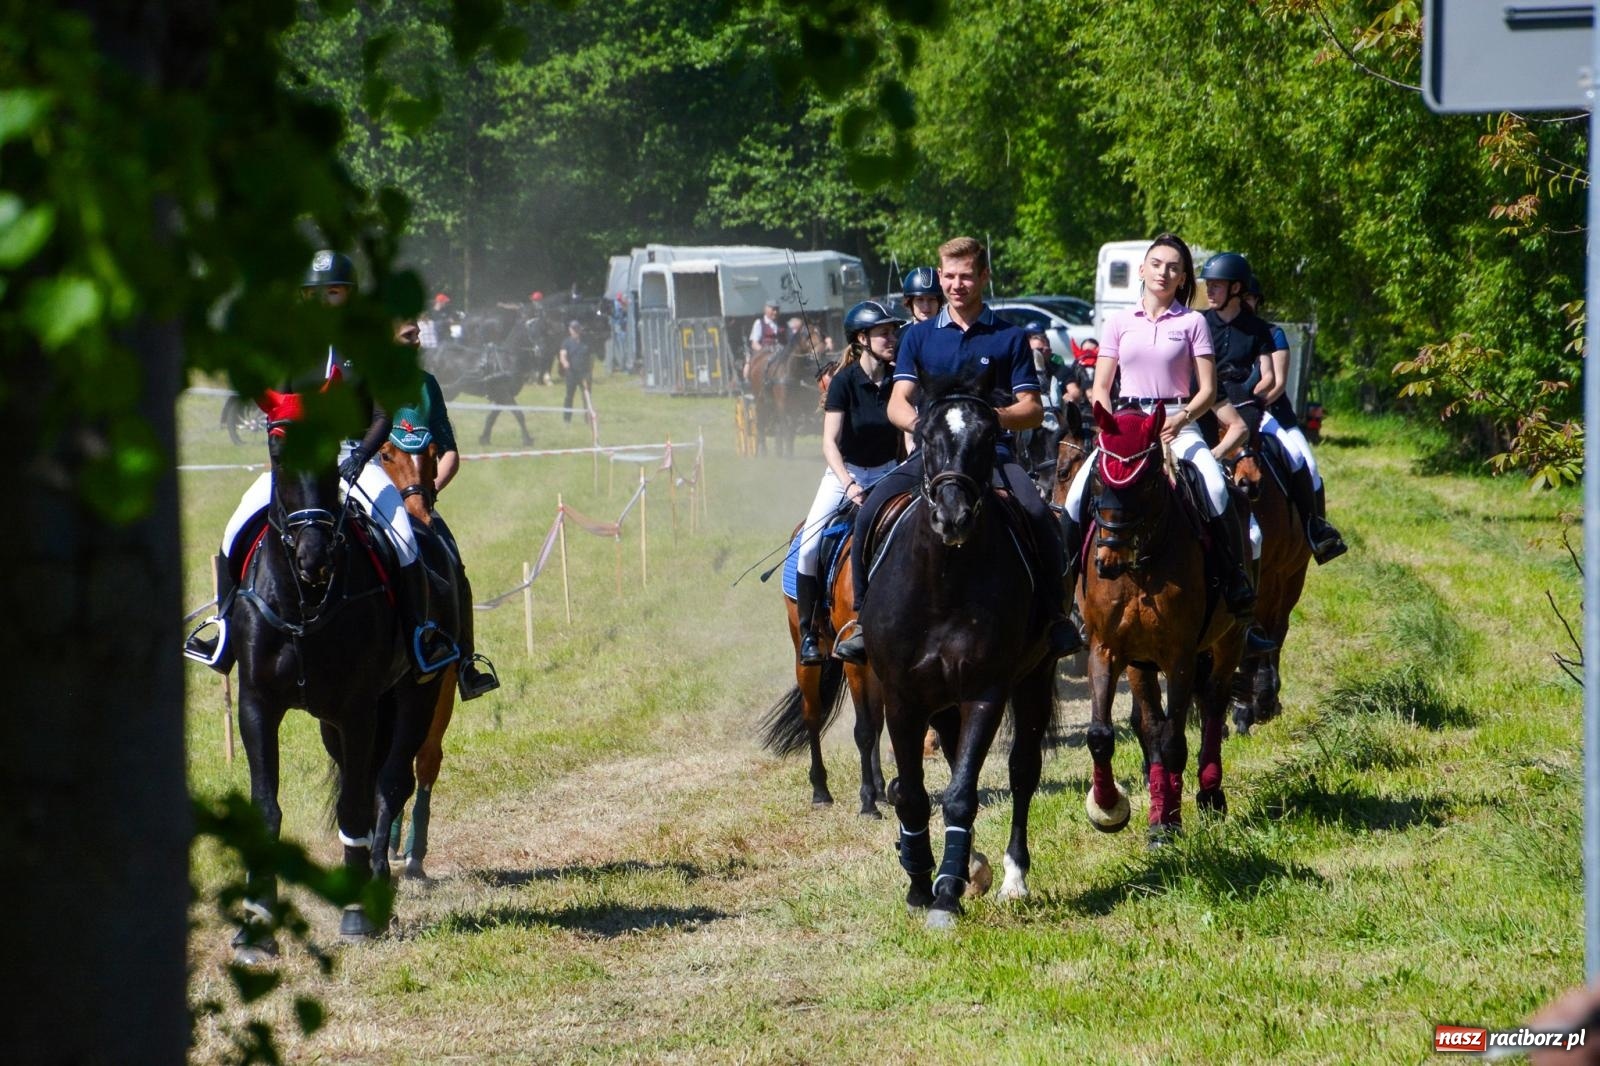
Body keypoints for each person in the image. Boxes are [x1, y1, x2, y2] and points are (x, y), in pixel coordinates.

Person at [184, 250, 459, 676]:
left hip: (356, 459)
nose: (325, 301)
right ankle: (222, 629)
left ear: (347, 295)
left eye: (334, 292)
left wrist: (362, 457)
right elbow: (277, 411)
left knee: (404, 537)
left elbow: (383, 416)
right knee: (235, 528)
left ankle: (419, 636)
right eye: (316, 293)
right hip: (298, 462)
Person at [833, 236, 1082, 663]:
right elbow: (898, 401)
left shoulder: (1009, 337)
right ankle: (860, 617)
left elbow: (1032, 409)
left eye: (966, 276)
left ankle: (1054, 616)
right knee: (872, 508)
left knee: (1040, 515)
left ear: (983, 276)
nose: (956, 284)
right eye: (949, 276)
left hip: (992, 456)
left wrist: (984, 422)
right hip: (931, 457)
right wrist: (926, 428)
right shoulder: (918, 338)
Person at [1058, 234, 1274, 654]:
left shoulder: (1192, 322)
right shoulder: (1119, 323)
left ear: (1182, 279)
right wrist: (1107, 424)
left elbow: (1208, 390)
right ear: (1142, 270)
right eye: (1157, 264)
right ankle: (1059, 599)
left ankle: (1235, 587)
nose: (1164, 272)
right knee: (1074, 497)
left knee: (1215, 488)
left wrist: (1181, 418)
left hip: (1178, 422)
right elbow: (1101, 386)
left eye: (1174, 267)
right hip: (1126, 426)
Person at [392, 320, 500, 699]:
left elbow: (449, 450)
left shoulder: (427, 385)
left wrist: (428, 491)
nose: (418, 341)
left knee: (452, 561)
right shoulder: (363, 385)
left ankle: (465, 662)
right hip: (376, 501)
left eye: (418, 334)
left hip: (420, 500)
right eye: (410, 335)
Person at [793, 300, 905, 664]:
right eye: (884, 332)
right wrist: (849, 484)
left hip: (890, 471)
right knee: (809, 546)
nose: (892, 338)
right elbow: (829, 442)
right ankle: (811, 632)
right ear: (862, 338)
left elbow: (909, 435)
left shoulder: (900, 379)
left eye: (893, 331)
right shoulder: (844, 382)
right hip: (848, 472)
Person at [1244, 275, 1347, 563]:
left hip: (1268, 411)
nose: (1246, 303)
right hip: (1228, 414)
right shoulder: (1213, 329)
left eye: (1250, 298)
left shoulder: (1273, 333)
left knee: (1306, 463)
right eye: (1242, 298)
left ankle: (1316, 531)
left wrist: (1252, 405)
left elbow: (1276, 385)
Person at [1198, 252, 1276, 442]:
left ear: (1235, 287)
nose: (1209, 291)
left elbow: (1269, 378)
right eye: (1208, 285)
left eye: (1216, 285)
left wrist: (1245, 394)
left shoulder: (1258, 328)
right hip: (1203, 403)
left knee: (1294, 456)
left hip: (1243, 405)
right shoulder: (1198, 321)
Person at [558, 319, 593, 424]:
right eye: (574, 329)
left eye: (577, 329)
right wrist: (565, 363)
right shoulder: (566, 342)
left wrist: (590, 371)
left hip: (584, 374)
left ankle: (588, 419)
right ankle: (567, 419)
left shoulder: (586, 341)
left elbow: (591, 357)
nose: (576, 331)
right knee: (569, 397)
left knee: (586, 396)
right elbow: (562, 355)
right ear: (570, 330)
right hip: (571, 374)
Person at [747, 300, 782, 382]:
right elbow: (754, 344)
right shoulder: (759, 323)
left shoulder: (782, 324)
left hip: (781, 354)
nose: (775, 312)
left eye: (777, 310)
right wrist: (766, 350)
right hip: (765, 354)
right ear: (766, 310)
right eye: (773, 310)